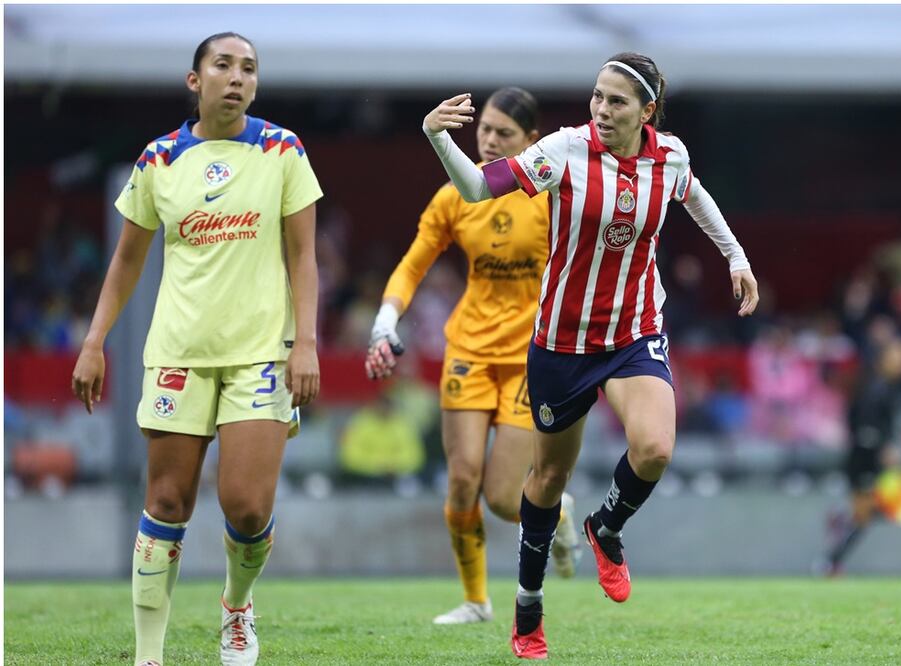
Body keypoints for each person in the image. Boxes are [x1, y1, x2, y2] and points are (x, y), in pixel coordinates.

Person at [421, 52, 760, 659]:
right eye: (597, 97)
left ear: (647, 111)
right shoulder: (564, 150)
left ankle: (605, 528)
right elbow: (476, 189)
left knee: (655, 447)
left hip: (634, 332)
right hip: (562, 341)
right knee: (548, 478)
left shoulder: (670, 155)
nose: (601, 110)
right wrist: (437, 136)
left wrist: (736, 257)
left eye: (617, 102)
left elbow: (696, 196)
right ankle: (528, 608)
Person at [71, 32, 322, 666]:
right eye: (223, 66)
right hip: (179, 353)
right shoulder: (159, 159)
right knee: (166, 503)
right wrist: (93, 340)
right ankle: (147, 656)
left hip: (262, 352)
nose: (237, 78)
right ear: (195, 80)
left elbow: (304, 257)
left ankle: (237, 608)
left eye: (249, 69)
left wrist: (307, 345)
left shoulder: (282, 148)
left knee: (245, 506)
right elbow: (127, 261)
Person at [365, 87, 580, 626]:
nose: (487, 140)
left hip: (532, 357)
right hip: (468, 351)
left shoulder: (552, 196)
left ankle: (559, 513)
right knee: (461, 480)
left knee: (505, 498)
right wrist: (385, 321)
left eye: (503, 134)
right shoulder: (453, 197)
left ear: (532, 142)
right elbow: (413, 265)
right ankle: (476, 600)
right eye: (484, 128)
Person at [821, 332, 901, 576]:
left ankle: (840, 523)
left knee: (876, 511)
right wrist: (884, 447)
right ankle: (831, 561)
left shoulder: (886, 388)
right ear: (883, 359)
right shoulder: (876, 388)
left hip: (870, 457)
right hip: (865, 458)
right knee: (867, 513)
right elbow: (864, 425)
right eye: (899, 356)